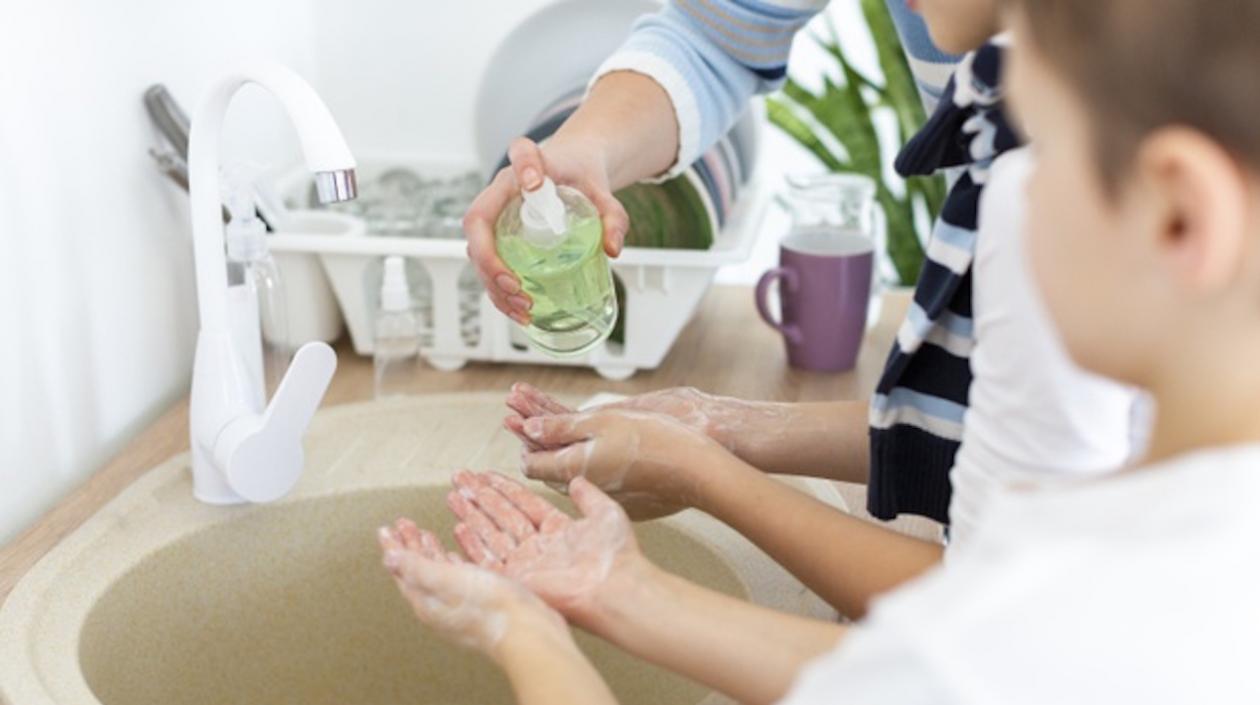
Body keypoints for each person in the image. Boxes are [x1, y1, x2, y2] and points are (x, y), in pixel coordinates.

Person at [382, 0, 1260, 701]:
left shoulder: (1056, 619)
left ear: (1180, 214)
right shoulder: (1152, 539)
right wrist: (623, 576)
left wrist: (525, 635)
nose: (980, 208)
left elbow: (953, 657)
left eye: (1019, 152)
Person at [471, 0, 1139, 625]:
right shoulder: (1045, 168)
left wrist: (694, 485)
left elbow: (989, 620)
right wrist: (719, 431)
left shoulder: (1059, 204)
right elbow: (719, 29)